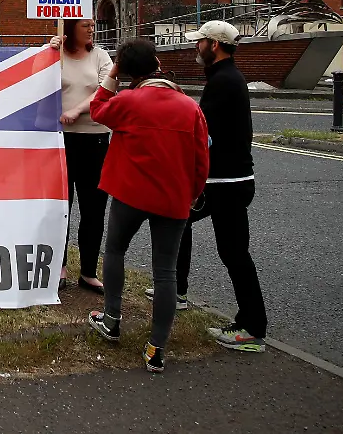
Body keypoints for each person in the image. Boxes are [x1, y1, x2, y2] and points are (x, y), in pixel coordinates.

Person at [85, 38, 209, 373]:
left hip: (130, 194)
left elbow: (97, 109)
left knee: (115, 251)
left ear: (125, 71)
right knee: (165, 271)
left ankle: (111, 319)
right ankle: (156, 348)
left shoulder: (128, 101)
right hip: (173, 198)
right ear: (156, 62)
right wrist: (192, 194)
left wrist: (112, 75)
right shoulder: (189, 107)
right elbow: (201, 160)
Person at [167, 20, 267, 352]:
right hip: (227, 180)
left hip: (227, 182)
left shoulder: (225, 81)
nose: (196, 47)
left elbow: (197, 124)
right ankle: (177, 291)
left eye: (200, 42)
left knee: (234, 253)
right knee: (180, 220)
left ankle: (253, 328)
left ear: (214, 45)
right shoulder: (224, 78)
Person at [55, 19, 113, 294]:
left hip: (96, 139)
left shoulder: (101, 56)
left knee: (94, 208)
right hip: (62, 141)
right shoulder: (57, 55)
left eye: (92, 25)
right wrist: (48, 53)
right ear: (69, 28)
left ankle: (89, 271)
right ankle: (60, 267)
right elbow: (35, 83)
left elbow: (106, 92)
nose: (91, 29)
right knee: (61, 207)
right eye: (85, 25)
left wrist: (77, 110)